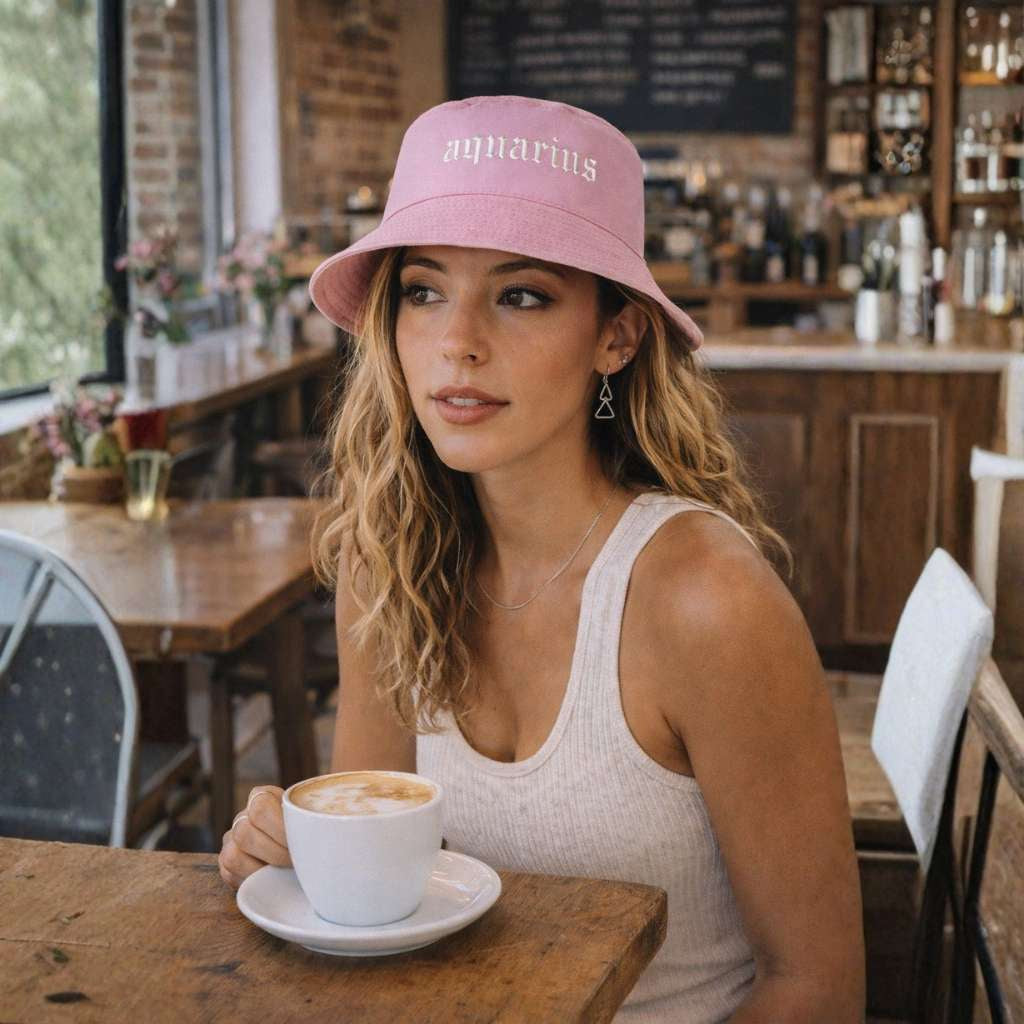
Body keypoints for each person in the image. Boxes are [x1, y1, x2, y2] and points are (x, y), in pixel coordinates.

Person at [219, 95, 865, 1022]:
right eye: (423, 291)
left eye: (521, 295)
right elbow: (370, 915)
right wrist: (292, 850)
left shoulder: (705, 600)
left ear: (617, 334)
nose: (459, 342)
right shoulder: (387, 565)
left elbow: (820, 992)